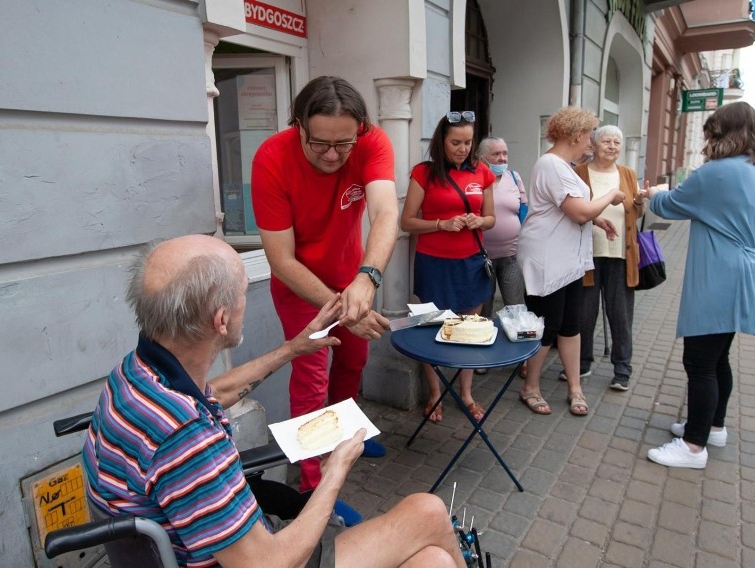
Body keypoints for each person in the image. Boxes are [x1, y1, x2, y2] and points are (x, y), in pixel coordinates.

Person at [83, 235, 468, 568]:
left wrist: (291, 349)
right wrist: (335, 470)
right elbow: (267, 563)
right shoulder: (185, 437)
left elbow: (213, 394)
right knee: (428, 513)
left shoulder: (138, 375)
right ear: (221, 320)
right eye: (242, 290)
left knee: (431, 561)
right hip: (263, 555)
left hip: (210, 541)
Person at [251, 76, 398, 493]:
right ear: (298, 125)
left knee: (353, 362)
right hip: (300, 286)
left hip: (353, 277)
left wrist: (366, 279)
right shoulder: (271, 159)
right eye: (319, 144)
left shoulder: (370, 141)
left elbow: (386, 214)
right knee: (311, 378)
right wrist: (341, 313)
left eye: (344, 144)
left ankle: (342, 442)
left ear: (360, 131)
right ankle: (313, 489)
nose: (333, 155)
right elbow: (280, 260)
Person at [641, 101, 755, 469]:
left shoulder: (717, 172)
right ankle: (712, 426)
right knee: (717, 358)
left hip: (721, 276)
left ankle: (692, 446)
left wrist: (653, 194)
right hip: (743, 275)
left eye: (712, 129)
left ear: (722, 131)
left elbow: (671, 206)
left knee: (699, 360)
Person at [516, 107, 625, 416]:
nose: (590, 140)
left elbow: (570, 211)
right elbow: (578, 211)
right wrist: (611, 196)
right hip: (548, 259)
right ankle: (530, 387)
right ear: (577, 135)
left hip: (568, 260)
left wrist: (598, 219)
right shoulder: (551, 164)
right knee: (546, 328)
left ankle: (575, 387)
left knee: (570, 325)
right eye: (589, 134)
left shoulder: (562, 165)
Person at [400, 111, 496, 423]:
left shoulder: (482, 172)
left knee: (470, 331)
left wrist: (477, 220)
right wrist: (442, 223)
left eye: (468, 142)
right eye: (456, 142)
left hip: (470, 263)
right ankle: (435, 392)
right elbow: (408, 221)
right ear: (441, 141)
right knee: (431, 329)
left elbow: (491, 218)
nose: (462, 148)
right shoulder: (424, 173)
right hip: (434, 264)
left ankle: (466, 394)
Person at [558, 126, 644, 391]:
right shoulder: (579, 173)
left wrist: (639, 202)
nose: (612, 146)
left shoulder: (628, 175)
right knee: (584, 313)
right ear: (593, 145)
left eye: (617, 142)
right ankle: (582, 363)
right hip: (587, 256)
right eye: (606, 141)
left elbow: (636, 214)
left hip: (620, 255)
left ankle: (622, 370)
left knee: (620, 315)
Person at [475, 136, 529, 377]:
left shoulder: (514, 178)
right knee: (482, 312)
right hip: (480, 258)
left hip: (510, 256)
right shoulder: (474, 178)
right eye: (496, 154)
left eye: (505, 153)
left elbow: (524, 210)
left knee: (516, 306)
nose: (502, 159)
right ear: (482, 157)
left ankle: (523, 359)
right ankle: (480, 357)